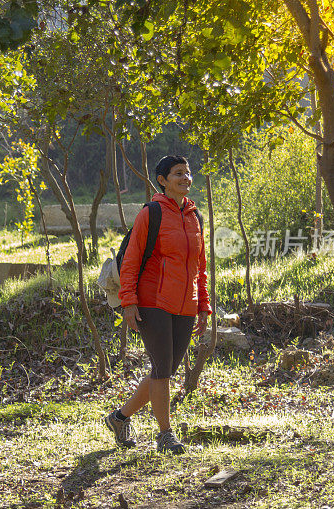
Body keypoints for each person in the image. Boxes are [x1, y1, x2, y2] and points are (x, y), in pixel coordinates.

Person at [104, 155, 211, 454]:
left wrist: (203, 304)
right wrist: (129, 302)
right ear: (163, 180)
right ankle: (166, 435)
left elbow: (199, 267)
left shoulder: (195, 217)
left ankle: (119, 417)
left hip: (185, 304)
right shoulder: (150, 213)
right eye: (178, 173)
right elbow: (132, 261)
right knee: (162, 370)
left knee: (163, 371)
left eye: (188, 173)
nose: (186, 178)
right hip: (152, 302)